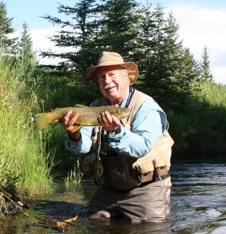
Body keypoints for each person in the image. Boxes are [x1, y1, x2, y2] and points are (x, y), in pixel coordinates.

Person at [62, 51, 174, 223]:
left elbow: (141, 147)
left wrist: (116, 131)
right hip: (111, 187)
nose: (107, 81)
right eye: (101, 77)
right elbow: (83, 147)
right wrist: (74, 133)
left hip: (147, 187)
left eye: (112, 74)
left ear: (127, 78)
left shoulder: (146, 107)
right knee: (93, 222)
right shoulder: (95, 107)